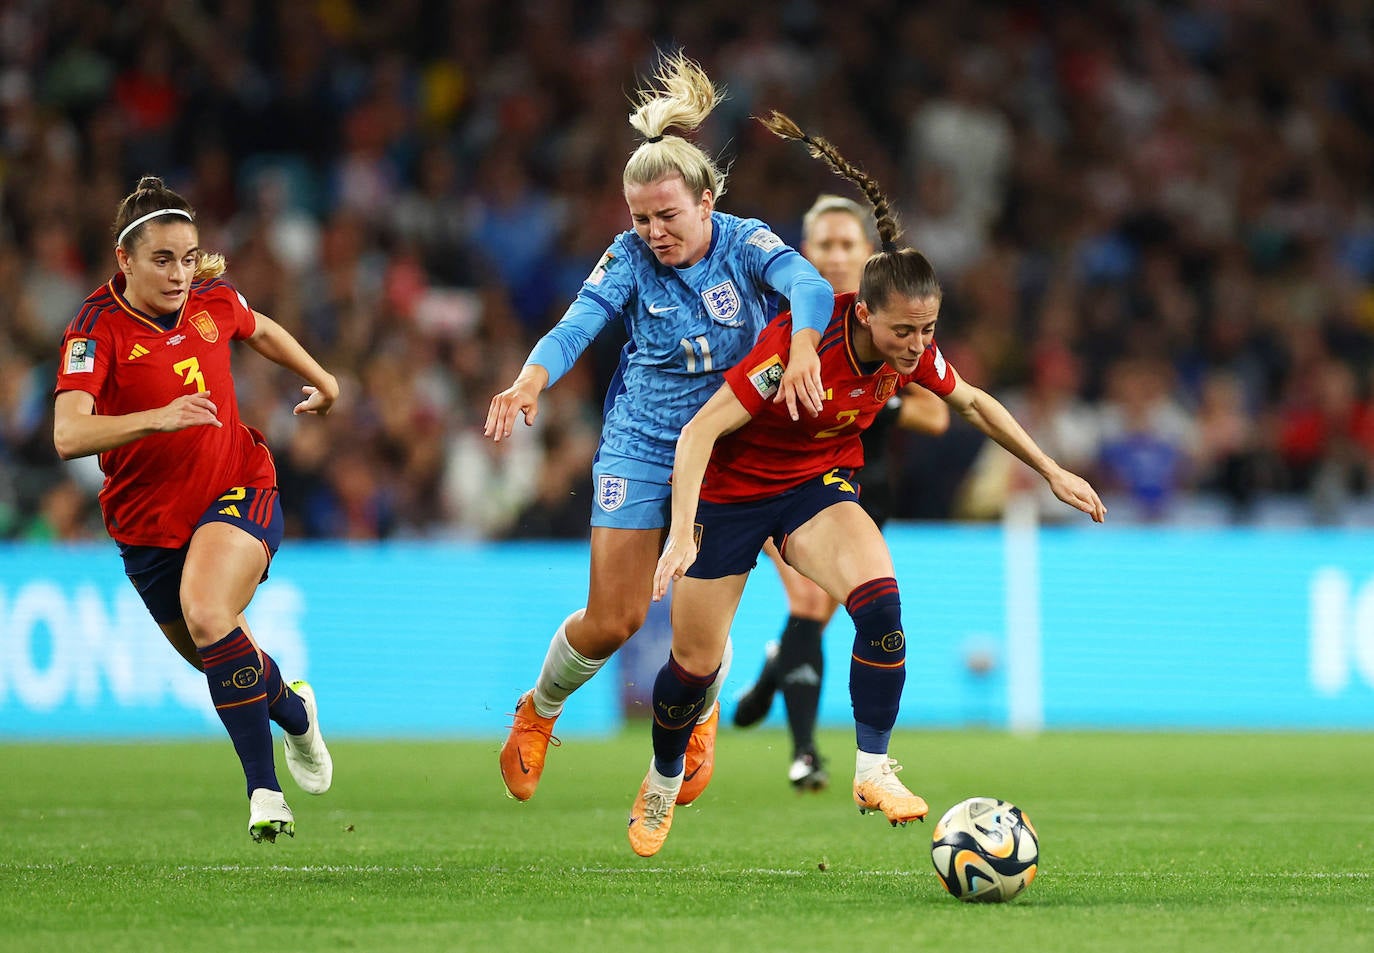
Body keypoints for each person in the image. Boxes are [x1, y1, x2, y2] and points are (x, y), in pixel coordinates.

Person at [629, 111, 1105, 858]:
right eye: (903, 333)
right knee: (692, 667)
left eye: (928, 331)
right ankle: (660, 779)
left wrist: (1050, 470)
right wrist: (683, 531)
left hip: (815, 487)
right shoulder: (796, 348)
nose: (917, 348)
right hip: (731, 493)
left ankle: (874, 769)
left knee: (880, 602)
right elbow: (698, 434)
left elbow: (973, 401)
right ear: (863, 311)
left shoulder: (911, 352)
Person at [485, 52, 833, 805]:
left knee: (703, 615)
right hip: (642, 443)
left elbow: (808, 284)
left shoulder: (746, 243)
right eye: (640, 218)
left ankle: (697, 719)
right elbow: (577, 325)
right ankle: (539, 710)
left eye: (668, 215)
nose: (654, 231)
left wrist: (803, 342)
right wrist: (529, 379)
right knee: (616, 617)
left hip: (731, 445)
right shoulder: (629, 257)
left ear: (708, 200)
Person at [52, 175, 337, 842]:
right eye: (161, 259)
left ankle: (264, 792)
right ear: (124, 260)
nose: (179, 273)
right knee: (220, 649)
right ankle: (295, 712)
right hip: (148, 530)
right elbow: (68, 433)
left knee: (210, 612)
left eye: (187, 257)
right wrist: (157, 418)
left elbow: (257, 325)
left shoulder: (209, 298)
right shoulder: (94, 330)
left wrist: (323, 379)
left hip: (239, 486)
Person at [732, 194, 951, 793]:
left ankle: (772, 675)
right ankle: (805, 754)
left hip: (864, 487)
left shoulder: (896, 327)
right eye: (822, 244)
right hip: (792, 481)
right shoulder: (788, 321)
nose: (833, 254)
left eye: (845, 244)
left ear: (868, 253)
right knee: (808, 602)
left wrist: (873, 395)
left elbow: (939, 417)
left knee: (831, 615)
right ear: (804, 252)